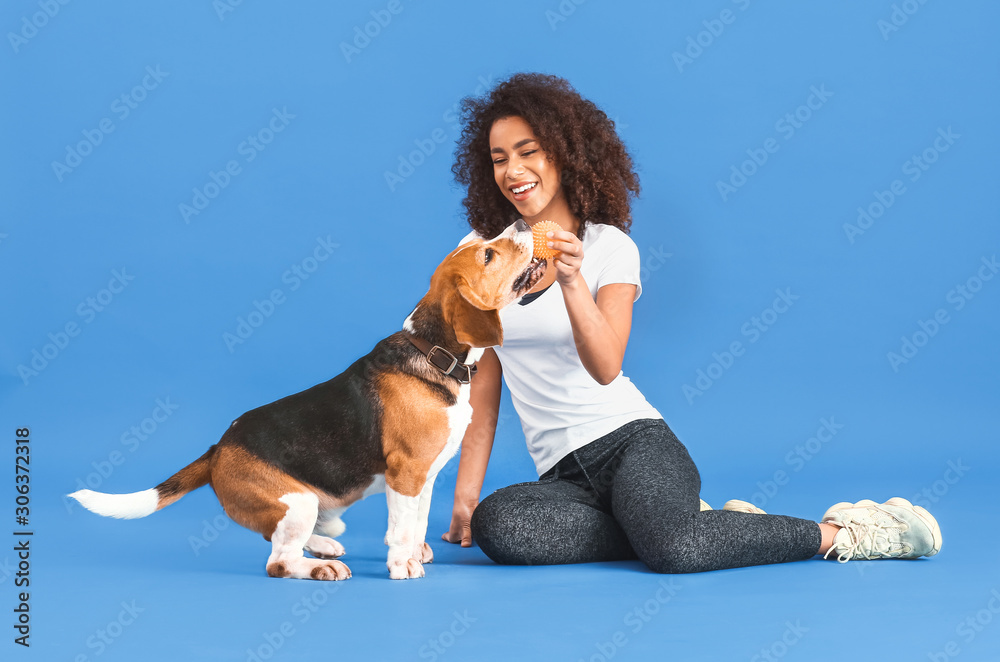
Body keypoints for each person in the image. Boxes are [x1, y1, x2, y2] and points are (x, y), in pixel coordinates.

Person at [440, 72, 940, 572]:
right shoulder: (484, 254)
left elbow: (607, 366)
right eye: (499, 158)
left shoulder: (608, 248)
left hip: (633, 443)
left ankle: (849, 531)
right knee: (498, 526)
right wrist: (465, 498)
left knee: (673, 550)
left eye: (528, 151)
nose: (513, 170)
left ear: (565, 154)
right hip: (563, 477)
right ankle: (706, 526)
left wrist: (572, 282)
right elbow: (481, 388)